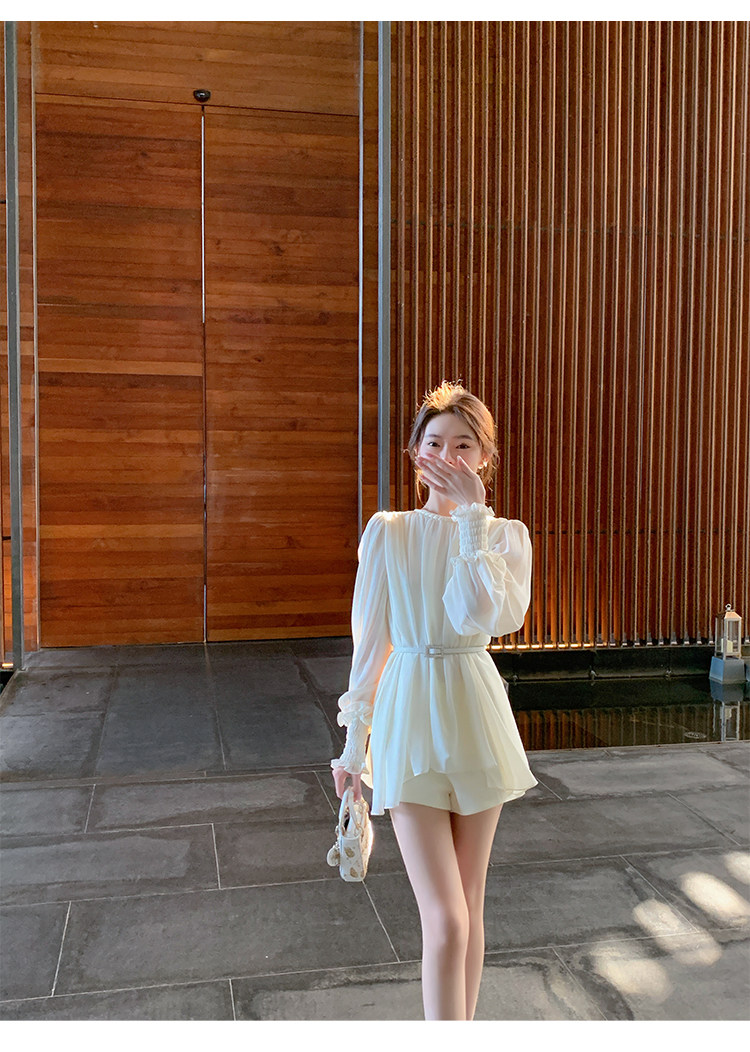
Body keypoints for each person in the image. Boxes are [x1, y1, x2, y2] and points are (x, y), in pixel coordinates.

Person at [331, 380, 537, 1021]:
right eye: (436, 442)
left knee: (469, 907)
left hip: (474, 709)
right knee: (446, 918)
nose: (448, 456)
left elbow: (485, 616)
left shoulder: (505, 537)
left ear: (485, 458)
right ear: (415, 452)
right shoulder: (388, 532)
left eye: (464, 445)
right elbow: (371, 644)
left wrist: (472, 519)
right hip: (410, 714)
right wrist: (353, 748)